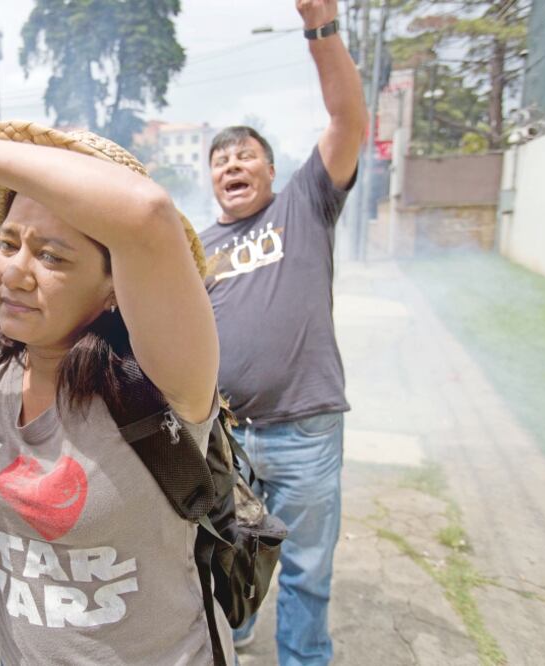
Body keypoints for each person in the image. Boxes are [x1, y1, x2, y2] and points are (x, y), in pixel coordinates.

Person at [0, 110, 226, 664]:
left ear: (116, 283)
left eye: (51, 256)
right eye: (9, 243)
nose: (13, 272)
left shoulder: (162, 377)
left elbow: (146, 212)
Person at [199, 1, 367, 664]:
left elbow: (347, 121)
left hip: (304, 431)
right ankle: (234, 634)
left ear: (271, 170)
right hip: (228, 437)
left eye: (245, 155)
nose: (231, 165)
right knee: (229, 554)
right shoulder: (195, 247)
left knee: (304, 570)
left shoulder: (304, 204)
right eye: (220, 160)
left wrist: (320, 27)